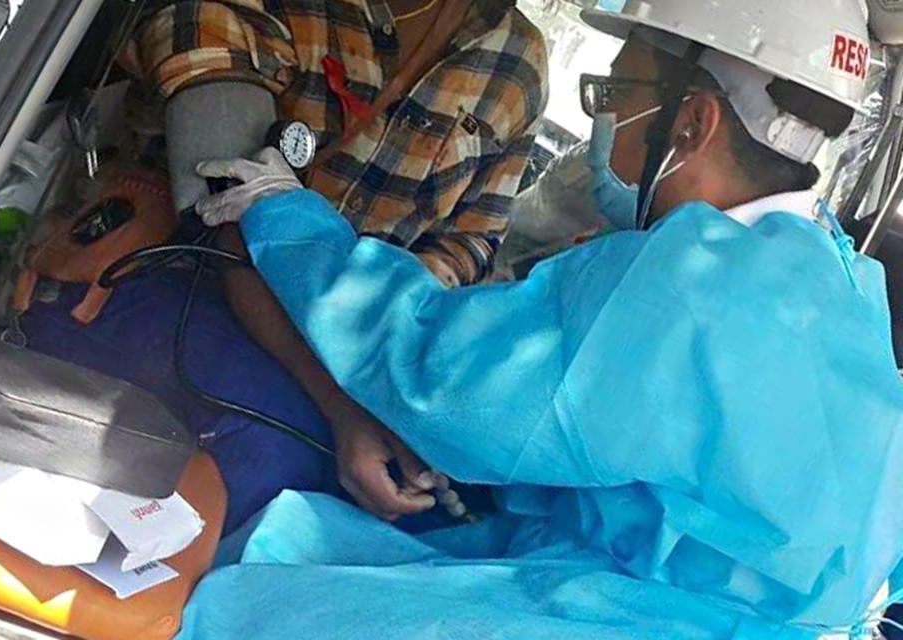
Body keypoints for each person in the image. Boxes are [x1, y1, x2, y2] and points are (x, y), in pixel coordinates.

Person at [176, 0, 903, 637]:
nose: (603, 124)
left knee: (253, 609)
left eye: (614, 92)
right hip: (719, 606)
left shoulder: (687, 282)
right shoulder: (841, 278)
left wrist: (287, 215)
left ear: (691, 121)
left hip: (644, 610)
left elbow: (436, 371)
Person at [124, 0, 548, 520]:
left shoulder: (518, 61)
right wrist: (345, 407)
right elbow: (219, 219)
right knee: (268, 474)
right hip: (197, 293)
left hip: (364, 351)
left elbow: (469, 245)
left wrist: (395, 386)